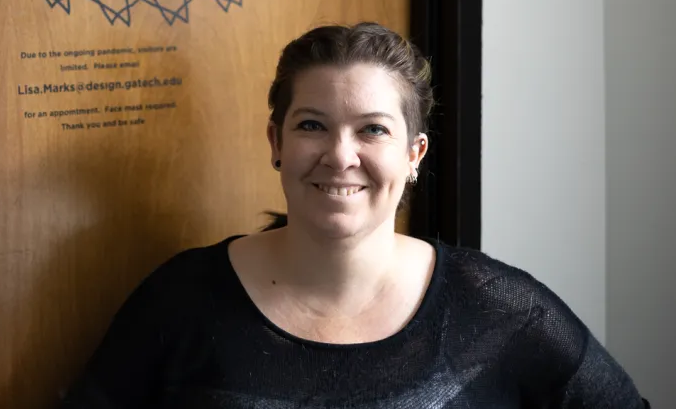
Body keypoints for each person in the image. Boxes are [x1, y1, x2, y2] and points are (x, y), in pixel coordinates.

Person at [59, 22, 650, 408]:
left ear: (413, 154)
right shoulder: (180, 299)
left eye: (373, 130)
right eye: (312, 125)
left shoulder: (498, 310)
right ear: (276, 142)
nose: (340, 156)